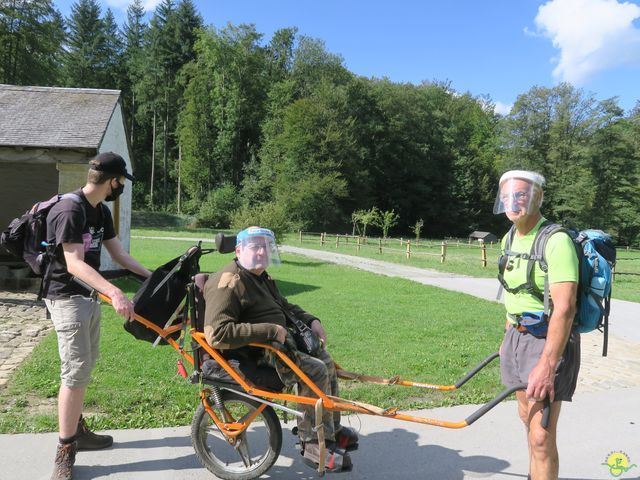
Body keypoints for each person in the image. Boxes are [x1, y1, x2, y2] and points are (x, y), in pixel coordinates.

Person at [203, 226, 358, 472]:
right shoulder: (229, 282)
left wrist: (311, 320)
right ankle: (311, 442)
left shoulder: (261, 277)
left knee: (326, 362)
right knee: (315, 370)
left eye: (266, 246)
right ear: (239, 250)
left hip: (278, 348)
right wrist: (270, 331)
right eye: (256, 246)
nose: (262, 251)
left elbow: (284, 307)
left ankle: (331, 431)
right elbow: (217, 334)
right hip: (255, 356)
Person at [44, 152, 152, 480]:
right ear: (113, 180)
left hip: (88, 296)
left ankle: (78, 431)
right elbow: (74, 263)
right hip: (66, 297)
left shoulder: (101, 211)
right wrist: (114, 291)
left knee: (85, 366)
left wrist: (154, 278)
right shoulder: (70, 209)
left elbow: (118, 254)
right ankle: (65, 451)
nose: (121, 187)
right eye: (121, 182)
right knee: (75, 373)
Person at [494, 170, 580, 480]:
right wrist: (508, 333)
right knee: (527, 421)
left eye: (521, 195)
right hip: (516, 339)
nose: (512, 202)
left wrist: (547, 364)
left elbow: (565, 309)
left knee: (542, 437)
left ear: (537, 198)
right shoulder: (510, 237)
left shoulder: (556, 241)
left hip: (547, 343)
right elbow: (515, 292)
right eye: (507, 196)